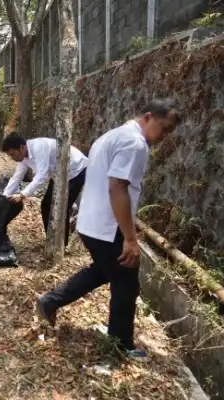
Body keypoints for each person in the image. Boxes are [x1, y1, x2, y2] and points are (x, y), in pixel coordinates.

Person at [36, 99, 181, 357]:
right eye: (164, 128)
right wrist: (130, 238)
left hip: (90, 224)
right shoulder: (134, 144)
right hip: (107, 227)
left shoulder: (110, 136)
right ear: (148, 117)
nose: (164, 136)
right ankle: (120, 345)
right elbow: (118, 187)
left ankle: (50, 301)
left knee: (103, 271)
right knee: (126, 284)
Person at [1, 134, 88, 247]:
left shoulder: (39, 147)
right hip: (58, 174)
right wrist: (4, 196)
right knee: (46, 205)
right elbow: (17, 177)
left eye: (12, 154)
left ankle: (61, 245)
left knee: (62, 208)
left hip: (76, 170)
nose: (12, 158)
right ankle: (51, 241)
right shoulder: (23, 158)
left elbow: (42, 175)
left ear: (21, 148)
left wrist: (22, 195)